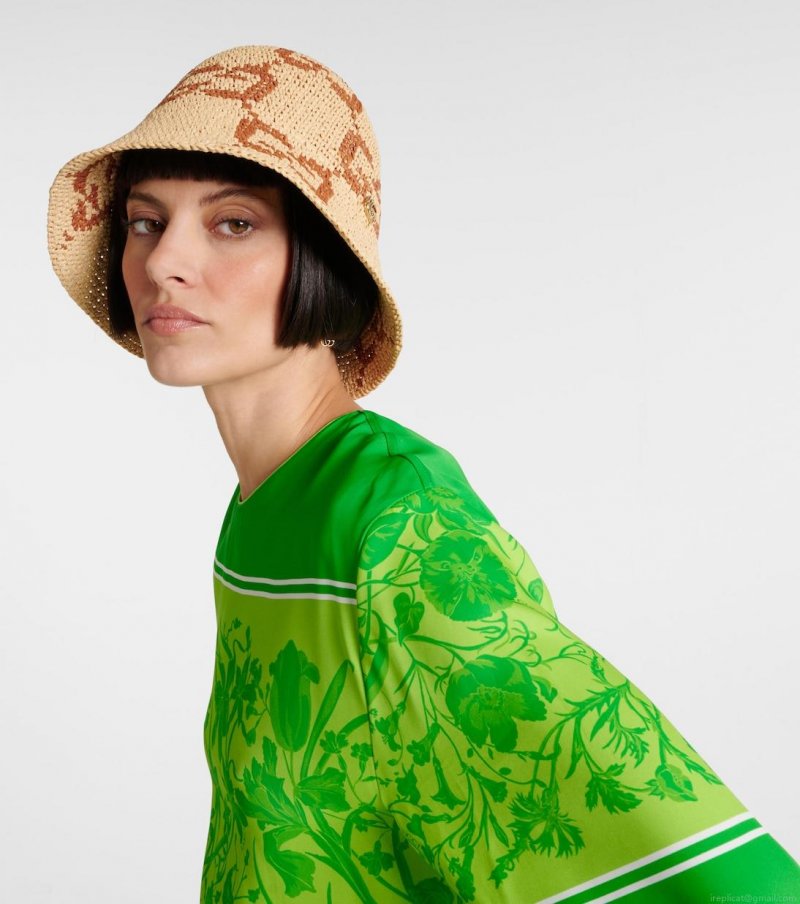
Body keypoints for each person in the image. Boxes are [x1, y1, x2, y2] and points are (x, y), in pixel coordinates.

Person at [47, 45, 799, 904]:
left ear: (325, 255)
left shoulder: (399, 523)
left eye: (234, 223)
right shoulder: (268, 505)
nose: (161, 262)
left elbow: (682, 857)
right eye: (146, 221)